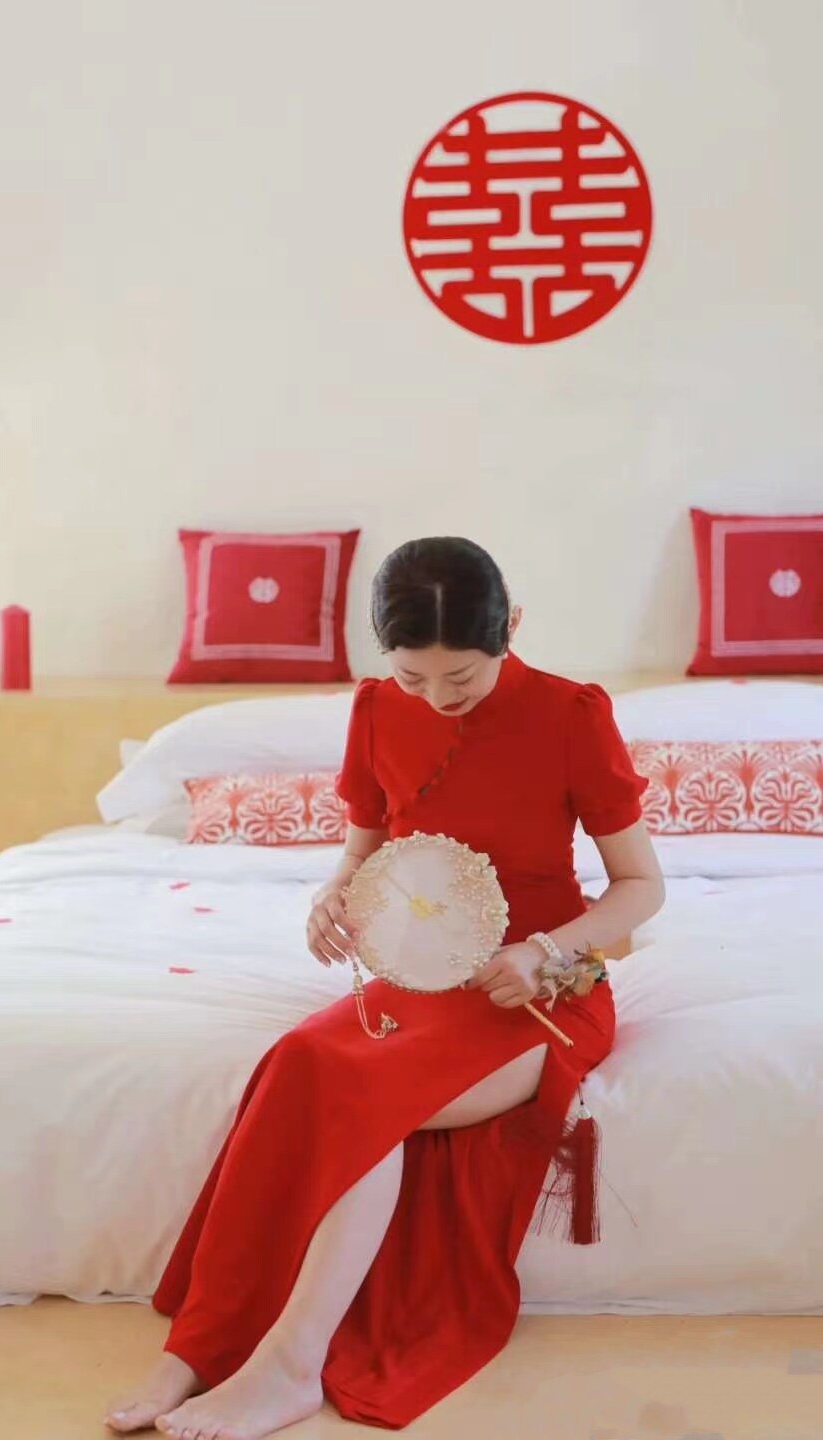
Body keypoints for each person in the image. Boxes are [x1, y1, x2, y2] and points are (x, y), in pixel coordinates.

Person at [106, 536, 665, 1440]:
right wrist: (332, 900)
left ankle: (288, 1367)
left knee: (360, 1089)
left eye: (462, 678)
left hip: (538, 991)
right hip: (418, 975)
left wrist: (543, 951)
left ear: (512, 628)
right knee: (297, 1060)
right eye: (413, 677)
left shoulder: (571, 714)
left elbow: (641, 888)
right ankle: (198, 1350)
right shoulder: (374, 710)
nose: (437, 698)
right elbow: (364, 854)